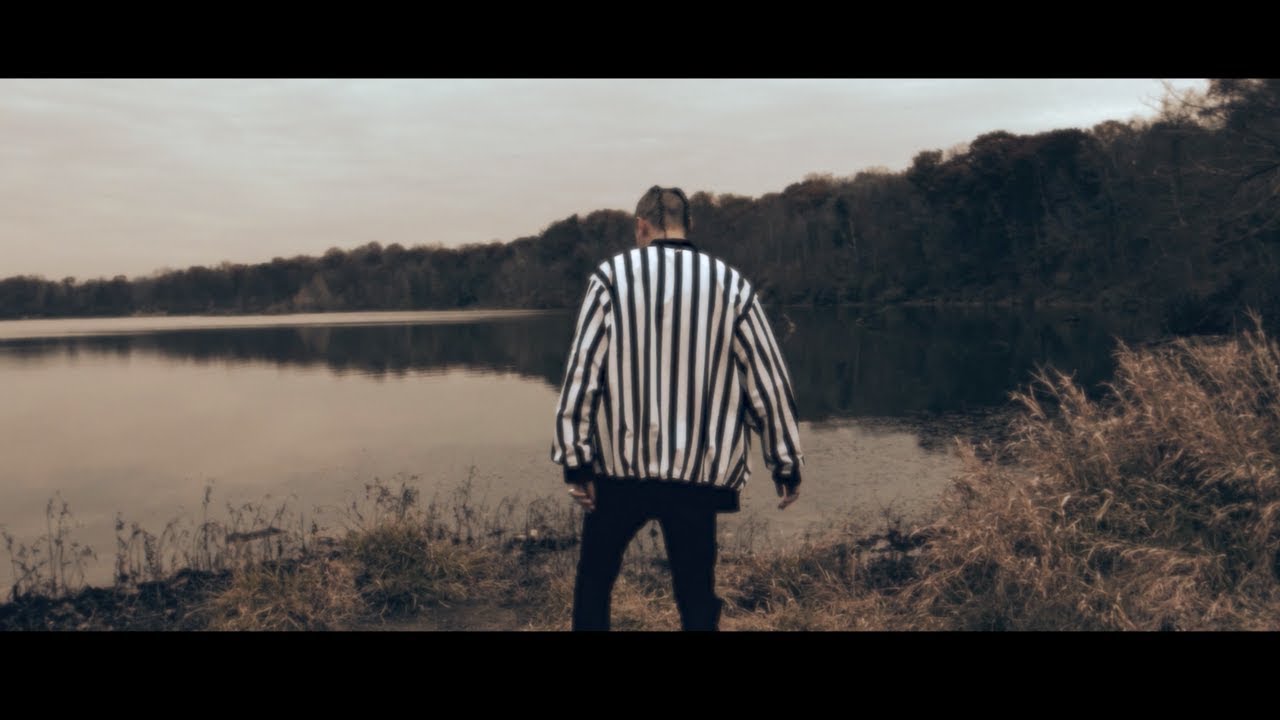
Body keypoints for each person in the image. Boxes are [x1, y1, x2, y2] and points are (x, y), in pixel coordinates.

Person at [550, 185, 804, 631]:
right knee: (695, 591)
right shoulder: (729, 283)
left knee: (594, 582)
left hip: (621, 470)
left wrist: (576, 461)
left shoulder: (611, 278)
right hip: (698, 472)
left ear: (641, 226)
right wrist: (785, 462)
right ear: (690, 225)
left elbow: (583, 371)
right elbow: (767, 377)